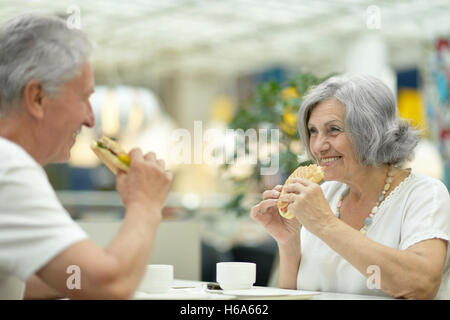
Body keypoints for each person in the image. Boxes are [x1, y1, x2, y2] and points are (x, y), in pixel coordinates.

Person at [0, 14, 172, 299]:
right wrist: (145, 202)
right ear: (37, 98)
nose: (90, 120)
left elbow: (20, 284)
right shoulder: (8, 165)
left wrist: (94, 270)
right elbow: (109, 287)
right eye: (83, 97)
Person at [251, 75, 450, 299]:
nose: (317, 146)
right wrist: (288, 242)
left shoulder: (424, 194)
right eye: (313, 131)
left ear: (369, 131)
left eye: (333, 130)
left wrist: (325, 224)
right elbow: (294, 294)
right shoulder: (325, 193)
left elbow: (421, 285)